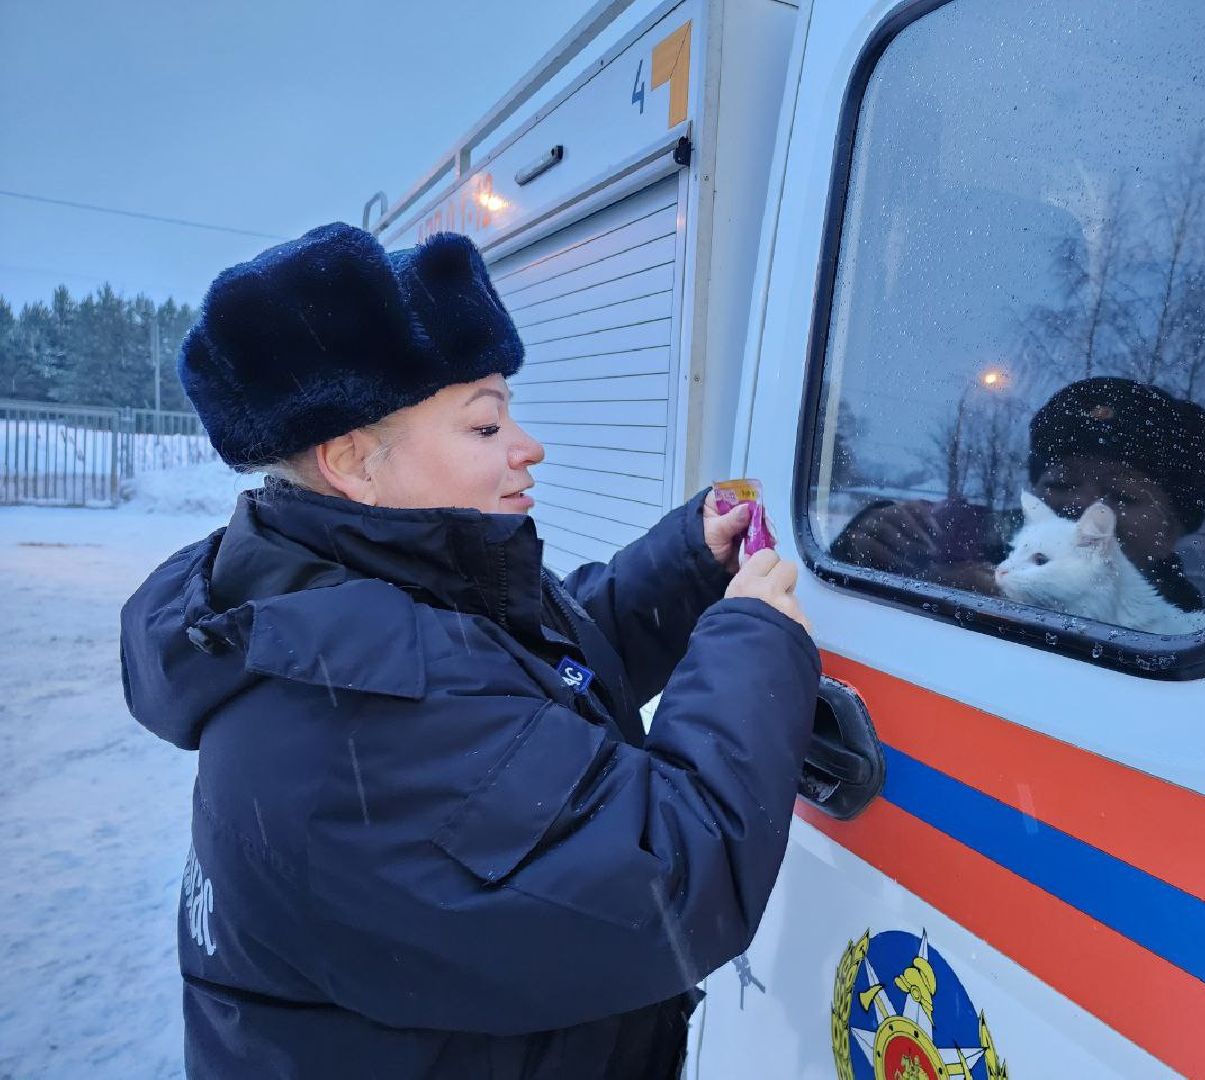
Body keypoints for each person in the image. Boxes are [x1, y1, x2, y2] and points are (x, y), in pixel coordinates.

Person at [119, 223, 820, 1079]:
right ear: (352, 463)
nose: (528, 446)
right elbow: (672, 875)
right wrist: (754, 644)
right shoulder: (349, 714)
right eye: (486, 426)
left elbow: (525, 683)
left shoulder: (346, 599)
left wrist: (683, 569)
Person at [830, 377, 1205, 611]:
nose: (1082, 506)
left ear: (1174, 529)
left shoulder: (1189, 644)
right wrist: (870, 538)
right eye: (1061, 484)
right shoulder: (986, 542)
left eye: (1122, 495)